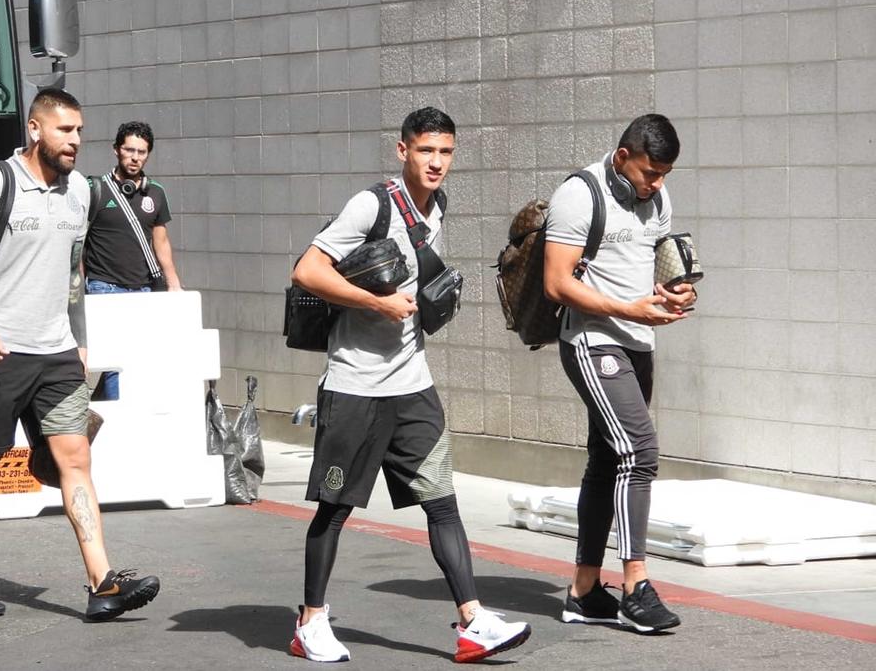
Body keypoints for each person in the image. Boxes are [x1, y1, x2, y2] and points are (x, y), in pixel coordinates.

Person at [289, 107, 531, 663]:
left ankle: (472, 621)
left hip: (412, 386)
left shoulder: (437, 206)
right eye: (426, 151)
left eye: (445, 152)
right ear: (403, 151)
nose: (436, 162)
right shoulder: (370, 205)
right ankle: (310, 621)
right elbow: (307, 271)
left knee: (442, 502)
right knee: (334, 509)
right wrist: (376, 302)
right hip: (355, 385)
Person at [0, 88, 160, 621]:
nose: (75, 140)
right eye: (65, 130)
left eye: (79, 131)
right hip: (0, 353)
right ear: (36, 130)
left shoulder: (80, 191)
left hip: (57, 352)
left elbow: (74, 271)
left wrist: (79, 341)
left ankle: (102, 582)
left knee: (76, 459)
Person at [544, 113, 696, 634]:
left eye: (665, 175)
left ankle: (583, 591)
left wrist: (675, 291)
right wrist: (629, 309)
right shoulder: (579, 195)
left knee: (608, 459)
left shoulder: (658, 197)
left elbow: (660, 265)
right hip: (592, 341)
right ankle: (636, 586)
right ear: (623, 156)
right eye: (650, 173)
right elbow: (556, 284)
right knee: (640, 451)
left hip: (638, 341)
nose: (656, 184)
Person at [82, 121, 181, 400]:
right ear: (116, 150)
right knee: (117, 361)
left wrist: (173, 283)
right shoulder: (95, 189)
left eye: (142, 152)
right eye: (129, 150)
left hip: (143, 288)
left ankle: (104, 407)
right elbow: (78, 241)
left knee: (138, 361)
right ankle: (120, 418)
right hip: (104, 287)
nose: (135, 157)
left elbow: (161, 240)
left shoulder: (156, 192)